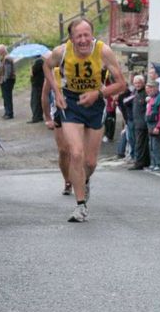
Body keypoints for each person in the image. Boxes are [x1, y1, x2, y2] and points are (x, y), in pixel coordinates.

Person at [42, 18, 125, 222]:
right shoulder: (61, 52)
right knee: (76, 154)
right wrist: (57, 92)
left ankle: (84, 180)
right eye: (78, 36)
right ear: (71, 38)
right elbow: (46, 66)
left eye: (87, 34)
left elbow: (121, 84)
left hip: (96, 105)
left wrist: (98, 93)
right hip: (71, 103)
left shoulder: (103, 51)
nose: (83, 40)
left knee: (90, 161)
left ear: (92, 35)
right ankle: (80, 206)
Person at [41, 72, 72, 197]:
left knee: (78, 150)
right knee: (64, 151)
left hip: (79, 111)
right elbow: (44, 94)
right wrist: (48, 118)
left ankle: (82, 179)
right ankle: (68, 180)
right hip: (59, 112)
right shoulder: (55, 70)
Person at [145, 79, 160, 172]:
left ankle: (159, 165)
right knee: (151, 145)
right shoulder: (151, 98)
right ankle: (153, 163)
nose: (148, 90)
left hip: (155, 124)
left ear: (156, 88)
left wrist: (158, 126)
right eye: (148, 88)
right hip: (150, 124)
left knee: (156, 145)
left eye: (150, 88)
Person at [128, 74, 150, 170]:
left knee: (140, 144)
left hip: (142, 122)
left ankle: (139, 163)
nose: (137, 85)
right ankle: (144, 162)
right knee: (140, 143)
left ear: (143, 83)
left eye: (139, 83)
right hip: (136, 122)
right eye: (135, 83)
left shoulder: (146, 93)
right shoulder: (134, 92)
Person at [0, 44, 16, 119]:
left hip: (7, 81)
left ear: (2, 50)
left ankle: (9, 113)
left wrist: (3, 80)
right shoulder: (3, 58)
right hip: (5, 81)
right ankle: (7, 112)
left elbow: (8, 71)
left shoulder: (7, 58)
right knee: (5, 96)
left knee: (7, 97)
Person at [28, 56, 45, 123]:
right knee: (37, 100)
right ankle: (39, 116)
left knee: (35, 101)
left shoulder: (38, 62)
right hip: (39, 83)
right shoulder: (41, 61)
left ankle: (36, 117)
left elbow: (32, 73)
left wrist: (31, 66)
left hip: (37, 84)